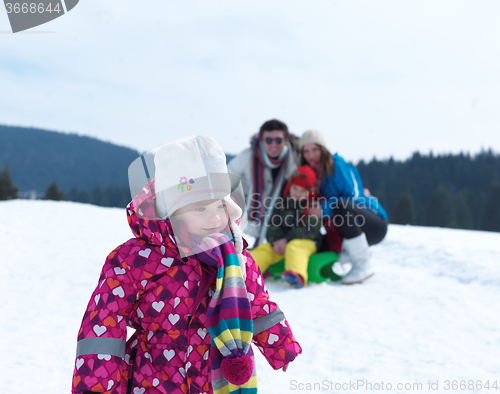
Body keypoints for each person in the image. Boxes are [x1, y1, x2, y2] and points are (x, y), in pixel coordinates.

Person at [71, 136, 302, 394]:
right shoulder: (134, 259)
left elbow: (255, 302)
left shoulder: (235, 255)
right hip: (154, 378)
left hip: (213, 380)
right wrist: (96, 384)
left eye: (220, 206)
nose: (215, 218)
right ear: (172, 212)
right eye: (201, 209)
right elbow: (104, 320)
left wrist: (280, 344)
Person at [299, 130, 388, 285]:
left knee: (341, 206)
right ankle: (335, 260)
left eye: (314, 149)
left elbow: (354, 199)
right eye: (306, 151)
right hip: (343, 228)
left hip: (372, 223)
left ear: (323, 149)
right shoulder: (310, 175)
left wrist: (322, 210)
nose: (310, 155)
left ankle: (362, 263)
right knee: (320, 247)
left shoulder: (337, 167)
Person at [227, 119, 298, 247]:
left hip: (277, 212)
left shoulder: (292, 161)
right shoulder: (248, 156)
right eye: (269, 140)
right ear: (261, 140)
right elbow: (227, 177)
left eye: (278, 140)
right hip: (249, 207)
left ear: (286, 140)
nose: (273, 145)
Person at [250, 165, 322, 289]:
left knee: (294, 247)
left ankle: (296, 274)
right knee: (265, 249)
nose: (298, 194)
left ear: (309, 193)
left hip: (305, 243)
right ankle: (247, 269)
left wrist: (287, 240)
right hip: (280, 244)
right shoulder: (280, 204)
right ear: (289, 187)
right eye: (295, 189)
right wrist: (277, 241)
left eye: (303, 191)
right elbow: (272, 226)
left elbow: (311, 230)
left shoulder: (311, 207)